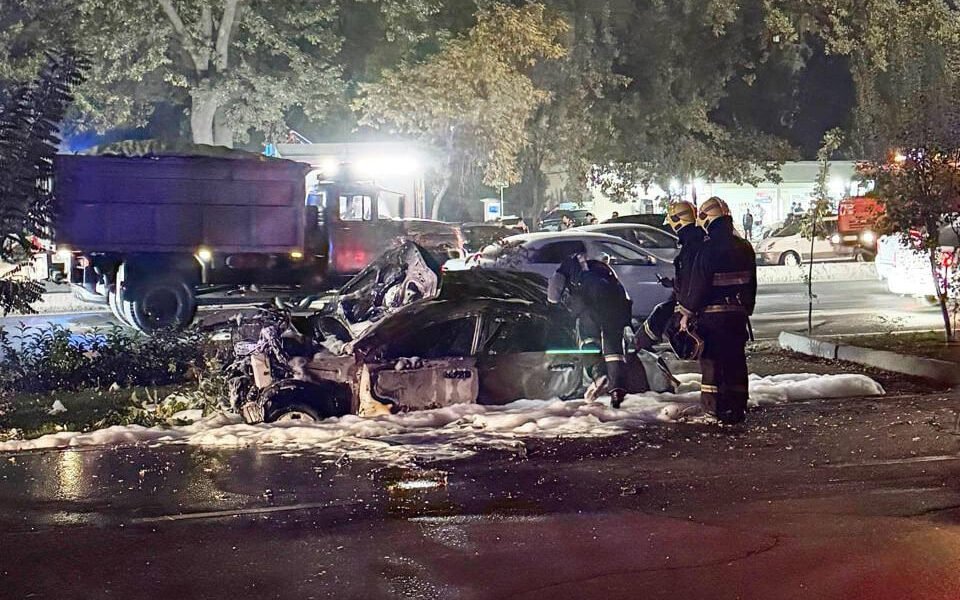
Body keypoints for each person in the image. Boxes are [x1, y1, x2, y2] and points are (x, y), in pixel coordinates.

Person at [677, 196, 757, 425]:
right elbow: (752, 283)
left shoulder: (707, 249)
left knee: (712, 362)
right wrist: (747, 308)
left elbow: (699, 285)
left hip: (712, 318)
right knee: (736, 360)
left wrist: (687, 313)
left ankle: (714, 409)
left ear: (706, 218)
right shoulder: (744, 247)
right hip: (737, 315)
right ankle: (737, 407)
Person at [548, 253, 633, 408]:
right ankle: (617, 391)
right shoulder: (604, 268)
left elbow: (553, 295)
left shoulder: (568, 265)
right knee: (614, 349)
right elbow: (623, 293)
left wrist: (557, 305)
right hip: (616, 305)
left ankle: (598, 375)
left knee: (587, 342)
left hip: (589, 309)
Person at [635, 201, 706, 353]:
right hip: (698, 301)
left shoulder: (690, 246)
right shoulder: (697, 240)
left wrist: (686, 312)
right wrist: (673, 284)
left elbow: (693, 279)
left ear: (677, 221)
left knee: (661, 314)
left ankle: (636, 347)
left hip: (695, 304)